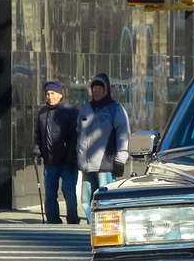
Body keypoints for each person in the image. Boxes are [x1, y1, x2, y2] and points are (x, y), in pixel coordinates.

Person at [77, 73, 130, 224]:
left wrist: (120, 160)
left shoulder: (116, 109)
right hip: (86, 166)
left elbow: (123, 135)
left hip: (105, 165)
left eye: (100, 88)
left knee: (105, 201)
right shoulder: (85, 109)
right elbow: (78, 135)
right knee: (86, 201)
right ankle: (91, 226)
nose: (97, 91)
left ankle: (107, 226)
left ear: (106, 90)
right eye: (94, 88)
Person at [34, 79, 80, 224]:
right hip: (50, 161)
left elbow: (75, 137)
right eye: (47, 94)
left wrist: (72, 158)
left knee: (68, 192)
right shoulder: (42, 113)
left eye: (53, 93)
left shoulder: (71, 112)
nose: (50, 96)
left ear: (60, 94)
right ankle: (53, 221)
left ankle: (73, 220)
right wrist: (36, 151)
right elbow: (38, 135)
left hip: (68, 161)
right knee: (50, 194)